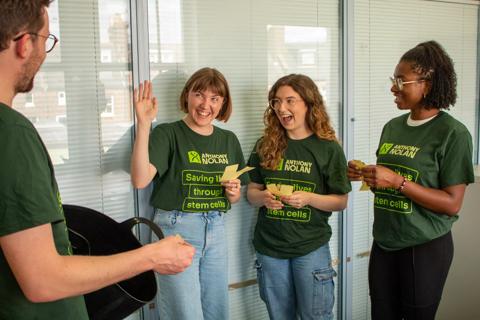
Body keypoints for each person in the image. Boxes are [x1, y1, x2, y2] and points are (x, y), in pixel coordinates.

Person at [0, 1, 195, 319]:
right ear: (24, 43)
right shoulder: (11, 133)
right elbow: (43, 280)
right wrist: (151, 256)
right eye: (47, 40)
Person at [348, 40, 475, 320]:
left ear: (427, 84)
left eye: (400, 80)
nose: (393, 87)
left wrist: (397, 182)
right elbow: (389, 178)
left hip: (424, 247)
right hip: (385, 241)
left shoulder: (453, 134)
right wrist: (366, 174)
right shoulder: (392, 127)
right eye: (393, 80)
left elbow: (452, 204)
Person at [131, 67, 248, 320]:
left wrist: (233, 192)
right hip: (177, 232)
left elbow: (234, 198)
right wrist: (144, 125)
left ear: (222, 104)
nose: (206, 104)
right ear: (187, 96)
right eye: (199, 94)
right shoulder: (167, 133)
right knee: (185, 315)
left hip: (216, 231)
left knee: (218, 313)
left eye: (215, 99)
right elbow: (140, 179)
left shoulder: (229, 140)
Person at [247, 74, 351, 320]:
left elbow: (341, 201)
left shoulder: (328, 148)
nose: (281, 108)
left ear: (308, 102)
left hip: (310, 248)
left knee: (315, 316)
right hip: (270, 248)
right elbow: (251, 192)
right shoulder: (265, 144)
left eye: (290, 101)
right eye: (276, 102)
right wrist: (263, 197)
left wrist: (309, 198)